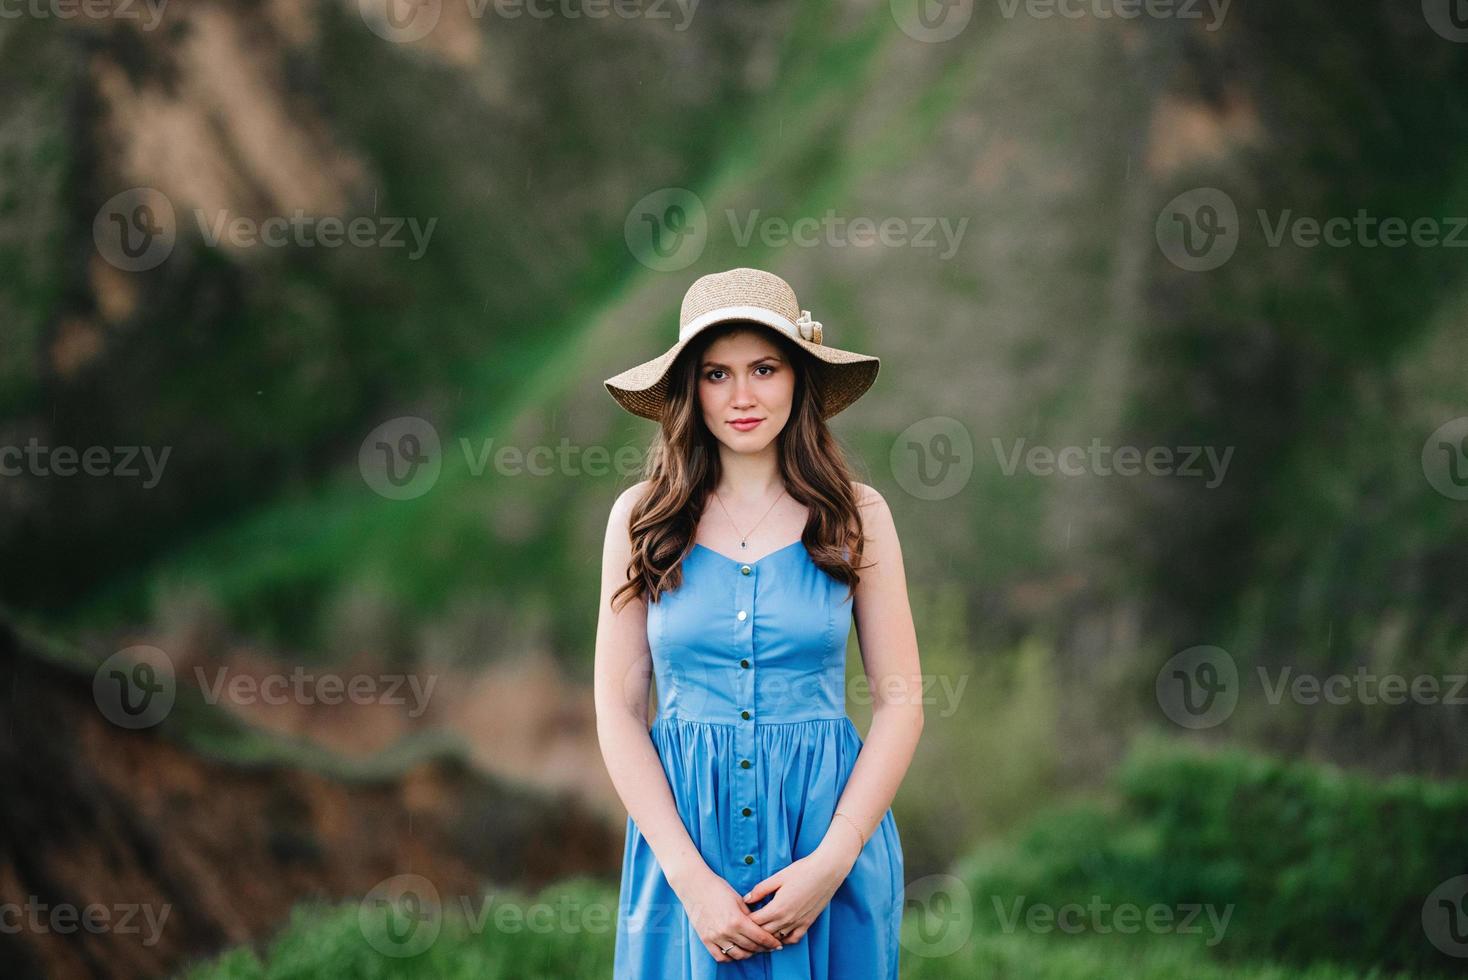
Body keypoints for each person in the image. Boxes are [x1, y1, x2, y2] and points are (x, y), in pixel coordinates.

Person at [594, 267, 924, 978]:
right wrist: (689, 879)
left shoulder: (857, 515)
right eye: (717, 374)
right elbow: (618, 709)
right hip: (685, 854)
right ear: (690, 390)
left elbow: (902, 701)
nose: (742, 396)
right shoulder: (642, 519)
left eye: (764, 368)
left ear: (799, 378)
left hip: (829, 847)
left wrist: (832, 863)